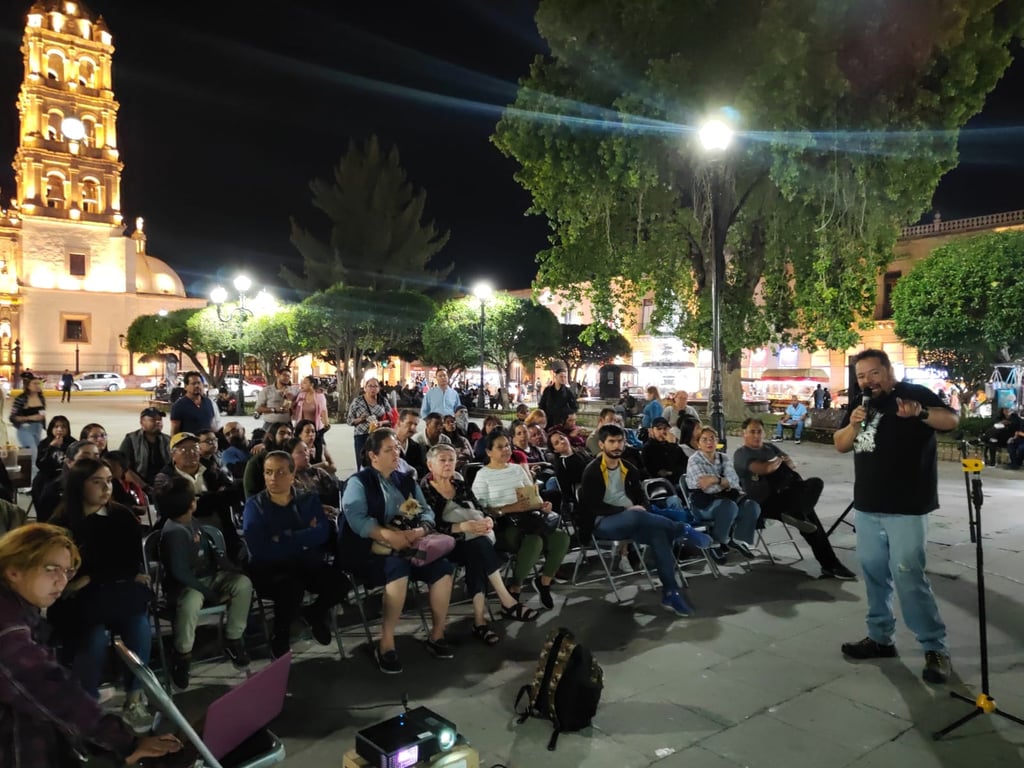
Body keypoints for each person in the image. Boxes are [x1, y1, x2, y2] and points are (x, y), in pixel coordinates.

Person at [0, 523, 183, 766]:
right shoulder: (6, 623)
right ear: (14, 570)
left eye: (67, 571)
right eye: (51, 569)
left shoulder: (20, 611)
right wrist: (124, 742)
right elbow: (48, 689)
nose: (61, 580)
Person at [833, 348, 958, 684]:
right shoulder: (861, 404)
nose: (867, 381)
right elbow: (840, 443)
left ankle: (934, 647)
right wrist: (854, 424)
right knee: (873, 573)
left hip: (907, 506)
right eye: (861, 376)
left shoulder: (913, 394)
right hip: (868, 506)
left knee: (908, 576)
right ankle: (879, 637)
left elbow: (951, 420)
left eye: (873, 373)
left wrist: (919, 414)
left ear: (888, 371)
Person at [47, 459, 154, 730]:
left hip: (113, 593)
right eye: (97, 481)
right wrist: (86, 578)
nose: (106, 487)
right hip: (77, 601)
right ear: (79, 485)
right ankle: (87, 704)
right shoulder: (62, 522)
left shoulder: (121, 517)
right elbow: (64, 569)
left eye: (108, 480)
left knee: (139, 624)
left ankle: (134, 696)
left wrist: (90, 577)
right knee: (91, 636)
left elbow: (128, 563)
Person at [340, 429, 455, 674]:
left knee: (443, 569)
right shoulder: (359, 482)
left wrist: (420, 531)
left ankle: (437, 633)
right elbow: (357, 518)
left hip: (409, 543)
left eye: (397, 448)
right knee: (398, 565)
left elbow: (425, 511)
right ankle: (386, 641)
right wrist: (388, 535)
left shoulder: (405, 480)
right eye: (389, 449)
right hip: (369, 550)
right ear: (373, 456)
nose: (397, 453)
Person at [577, 424, 712, 616]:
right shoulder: (592, 471)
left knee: (659, 536)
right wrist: (626, 509)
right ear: (601, 444)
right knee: (635, 514)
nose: (616, 446)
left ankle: (671, 592)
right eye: (611, 442)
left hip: (634, 521)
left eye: (620, 441)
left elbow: (643, 502)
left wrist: (637, 509)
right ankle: (682, 529)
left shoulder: (630, 469)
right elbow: (592, 507)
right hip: (603, 522)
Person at [421, 444, 539, 645]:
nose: (449, 464)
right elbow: (430, 525)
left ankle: (480, 619)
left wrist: (487, 521)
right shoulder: (424, 489)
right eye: (443, 460)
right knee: (479, 546)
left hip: (473, 538)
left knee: (477, 548)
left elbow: (478, 507)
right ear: (430, 464)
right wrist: (462, 526)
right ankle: (505, 601)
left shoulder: (458, 483)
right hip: (447, 543)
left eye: (452, 459)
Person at [242, 451, 343, 657]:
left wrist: (282, 537)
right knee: (290, 588)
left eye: (280, 472)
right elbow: (259, 548)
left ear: (291, 474)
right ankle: (280, 634)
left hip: (306, 563)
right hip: (270, 568)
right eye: (268, 472)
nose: (273, 478)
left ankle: (315, 613)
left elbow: (322, 533)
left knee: (339, 584)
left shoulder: (308, 500)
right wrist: (304, 536)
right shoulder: (255, 506)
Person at [156, 476, 252, 689]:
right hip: (187, 584)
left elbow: (213, 552)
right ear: (189, 503)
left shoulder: (191, 521)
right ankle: (182, 654)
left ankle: (234, 638)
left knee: (243, 585)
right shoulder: (174, 532)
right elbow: (180, 572)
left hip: (209, 576)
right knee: (190, 603)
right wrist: (210, 594)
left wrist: (231, 568)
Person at [733, 418, 856, 579]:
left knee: (815, 484)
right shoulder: (742, 453)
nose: (756, 435)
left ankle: (799, 517)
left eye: (759, 431)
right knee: (810, 521)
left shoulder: (770, 447)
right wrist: (778, 461)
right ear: (744, 434)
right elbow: (765, 469)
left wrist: (779, 462)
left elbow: (791, 463)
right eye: (752, 431)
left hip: (789, 494)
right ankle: (830, 563)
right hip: (765, 500)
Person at [470, 429, 570, 609]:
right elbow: (480, 510)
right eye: (500, 447)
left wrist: (543, 505)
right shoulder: (483, 475)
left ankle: (544, 582)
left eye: (507, 445)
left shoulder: (516, 469)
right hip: (503, 524)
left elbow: (533, 495)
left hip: (529, 518)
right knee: (534, 541)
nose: (506, 450)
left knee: (561, 538)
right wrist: (509, 508)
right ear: (489, 452)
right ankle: (515, 587)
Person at [684, 426, 761, 562]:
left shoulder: (724, 458)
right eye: (705, 440)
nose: (709, 442)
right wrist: (725, 484)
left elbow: (735, 482)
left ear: (717, 441)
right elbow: (706, 488)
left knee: (752, 506)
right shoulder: (694, 460)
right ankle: (717, 542)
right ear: (698, 444)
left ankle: (737, 539)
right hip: (703, 504)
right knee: (728, 507)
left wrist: (715, 479)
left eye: (712, 439)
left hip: (727, 499)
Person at [118, 406, 171, 492]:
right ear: (142, 422)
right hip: (139, 486)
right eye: (153, 420)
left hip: (165, 484)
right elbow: (124, 468)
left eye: (160, 420)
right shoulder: (131, 439)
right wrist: (145, 487)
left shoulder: (168, 440)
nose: (158, 422)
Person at [346, 378, 394, 465]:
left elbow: (391, 419)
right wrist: (361, 419)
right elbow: (349, 421)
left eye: (375, 386)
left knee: (378, 463)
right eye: (370, 386)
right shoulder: (357, 401)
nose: (373, 388)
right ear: (365, 388)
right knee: (362, 462)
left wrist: (381, 423)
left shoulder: (383, 401)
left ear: (379, 388)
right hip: (361, 436)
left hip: (379, 436)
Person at [9, 376, 46, 480]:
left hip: (37, 428)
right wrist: (30, 417)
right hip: (25, 429)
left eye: (39, 383)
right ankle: (31, 481)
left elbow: (42, 412)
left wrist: (42, 418)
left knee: (37, 454)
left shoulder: (41, 397)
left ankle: (34, 479)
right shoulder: (21, 399)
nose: (38, 386)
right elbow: (12, 417)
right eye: (35, 383)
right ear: (28, 386)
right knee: (32, 453)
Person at [255, 367, 295, 433]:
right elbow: (258, 408)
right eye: (284, 375)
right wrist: (274, 410)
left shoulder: (292, 390)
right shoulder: (267, 390)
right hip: (270, 425)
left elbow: (293, 408)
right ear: (278, 375)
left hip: (286, 424)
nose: (287, 378)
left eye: (288, 376)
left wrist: (289, 398)